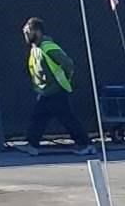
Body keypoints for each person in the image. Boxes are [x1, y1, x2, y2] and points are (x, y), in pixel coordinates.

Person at [22, 19, 90, 154]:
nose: (27, 35)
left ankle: (85, 145)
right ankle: (32, 144)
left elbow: (68, 64)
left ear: (38, 32)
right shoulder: (35, 49)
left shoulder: (48, 47)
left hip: (56, 91)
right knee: (39, 118)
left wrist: (63, 80)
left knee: (66, 118)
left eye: (29, 32)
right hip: (45, 91)